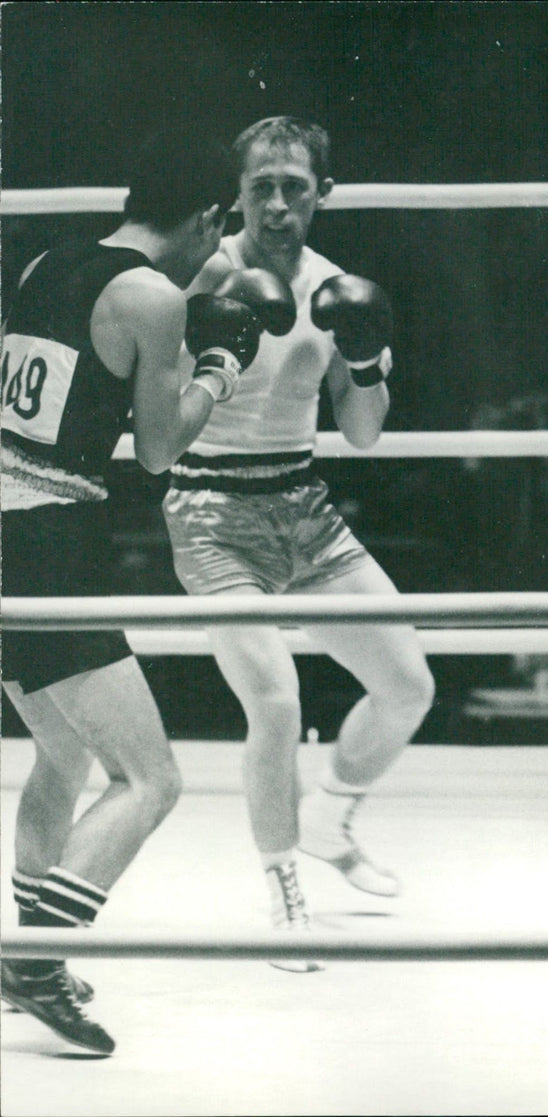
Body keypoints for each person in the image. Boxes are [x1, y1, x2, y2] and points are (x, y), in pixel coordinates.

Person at [0, 128, 288, 1053]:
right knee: (150, 778)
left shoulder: (53, 260)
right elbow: (162, 451)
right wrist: (219, 368)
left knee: (61, 754)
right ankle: (38, 958)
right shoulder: (155, 300)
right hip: (46, 542)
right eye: (226, 225)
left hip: (5, 521)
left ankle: (16, 947)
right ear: (208, 215)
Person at [161, 116, 435, 971]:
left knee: (407, 685)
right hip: (210, 510)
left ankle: (329, 814)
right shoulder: (200, 278)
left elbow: (360, 434)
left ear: (323, 194)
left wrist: (366, 356)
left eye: (295, 188)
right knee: (276, 702)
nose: (277, 205)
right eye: (260, 188)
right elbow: (156, 425)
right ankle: (282, 887)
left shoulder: (339, 290)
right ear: (235, 195)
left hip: (303, 506)